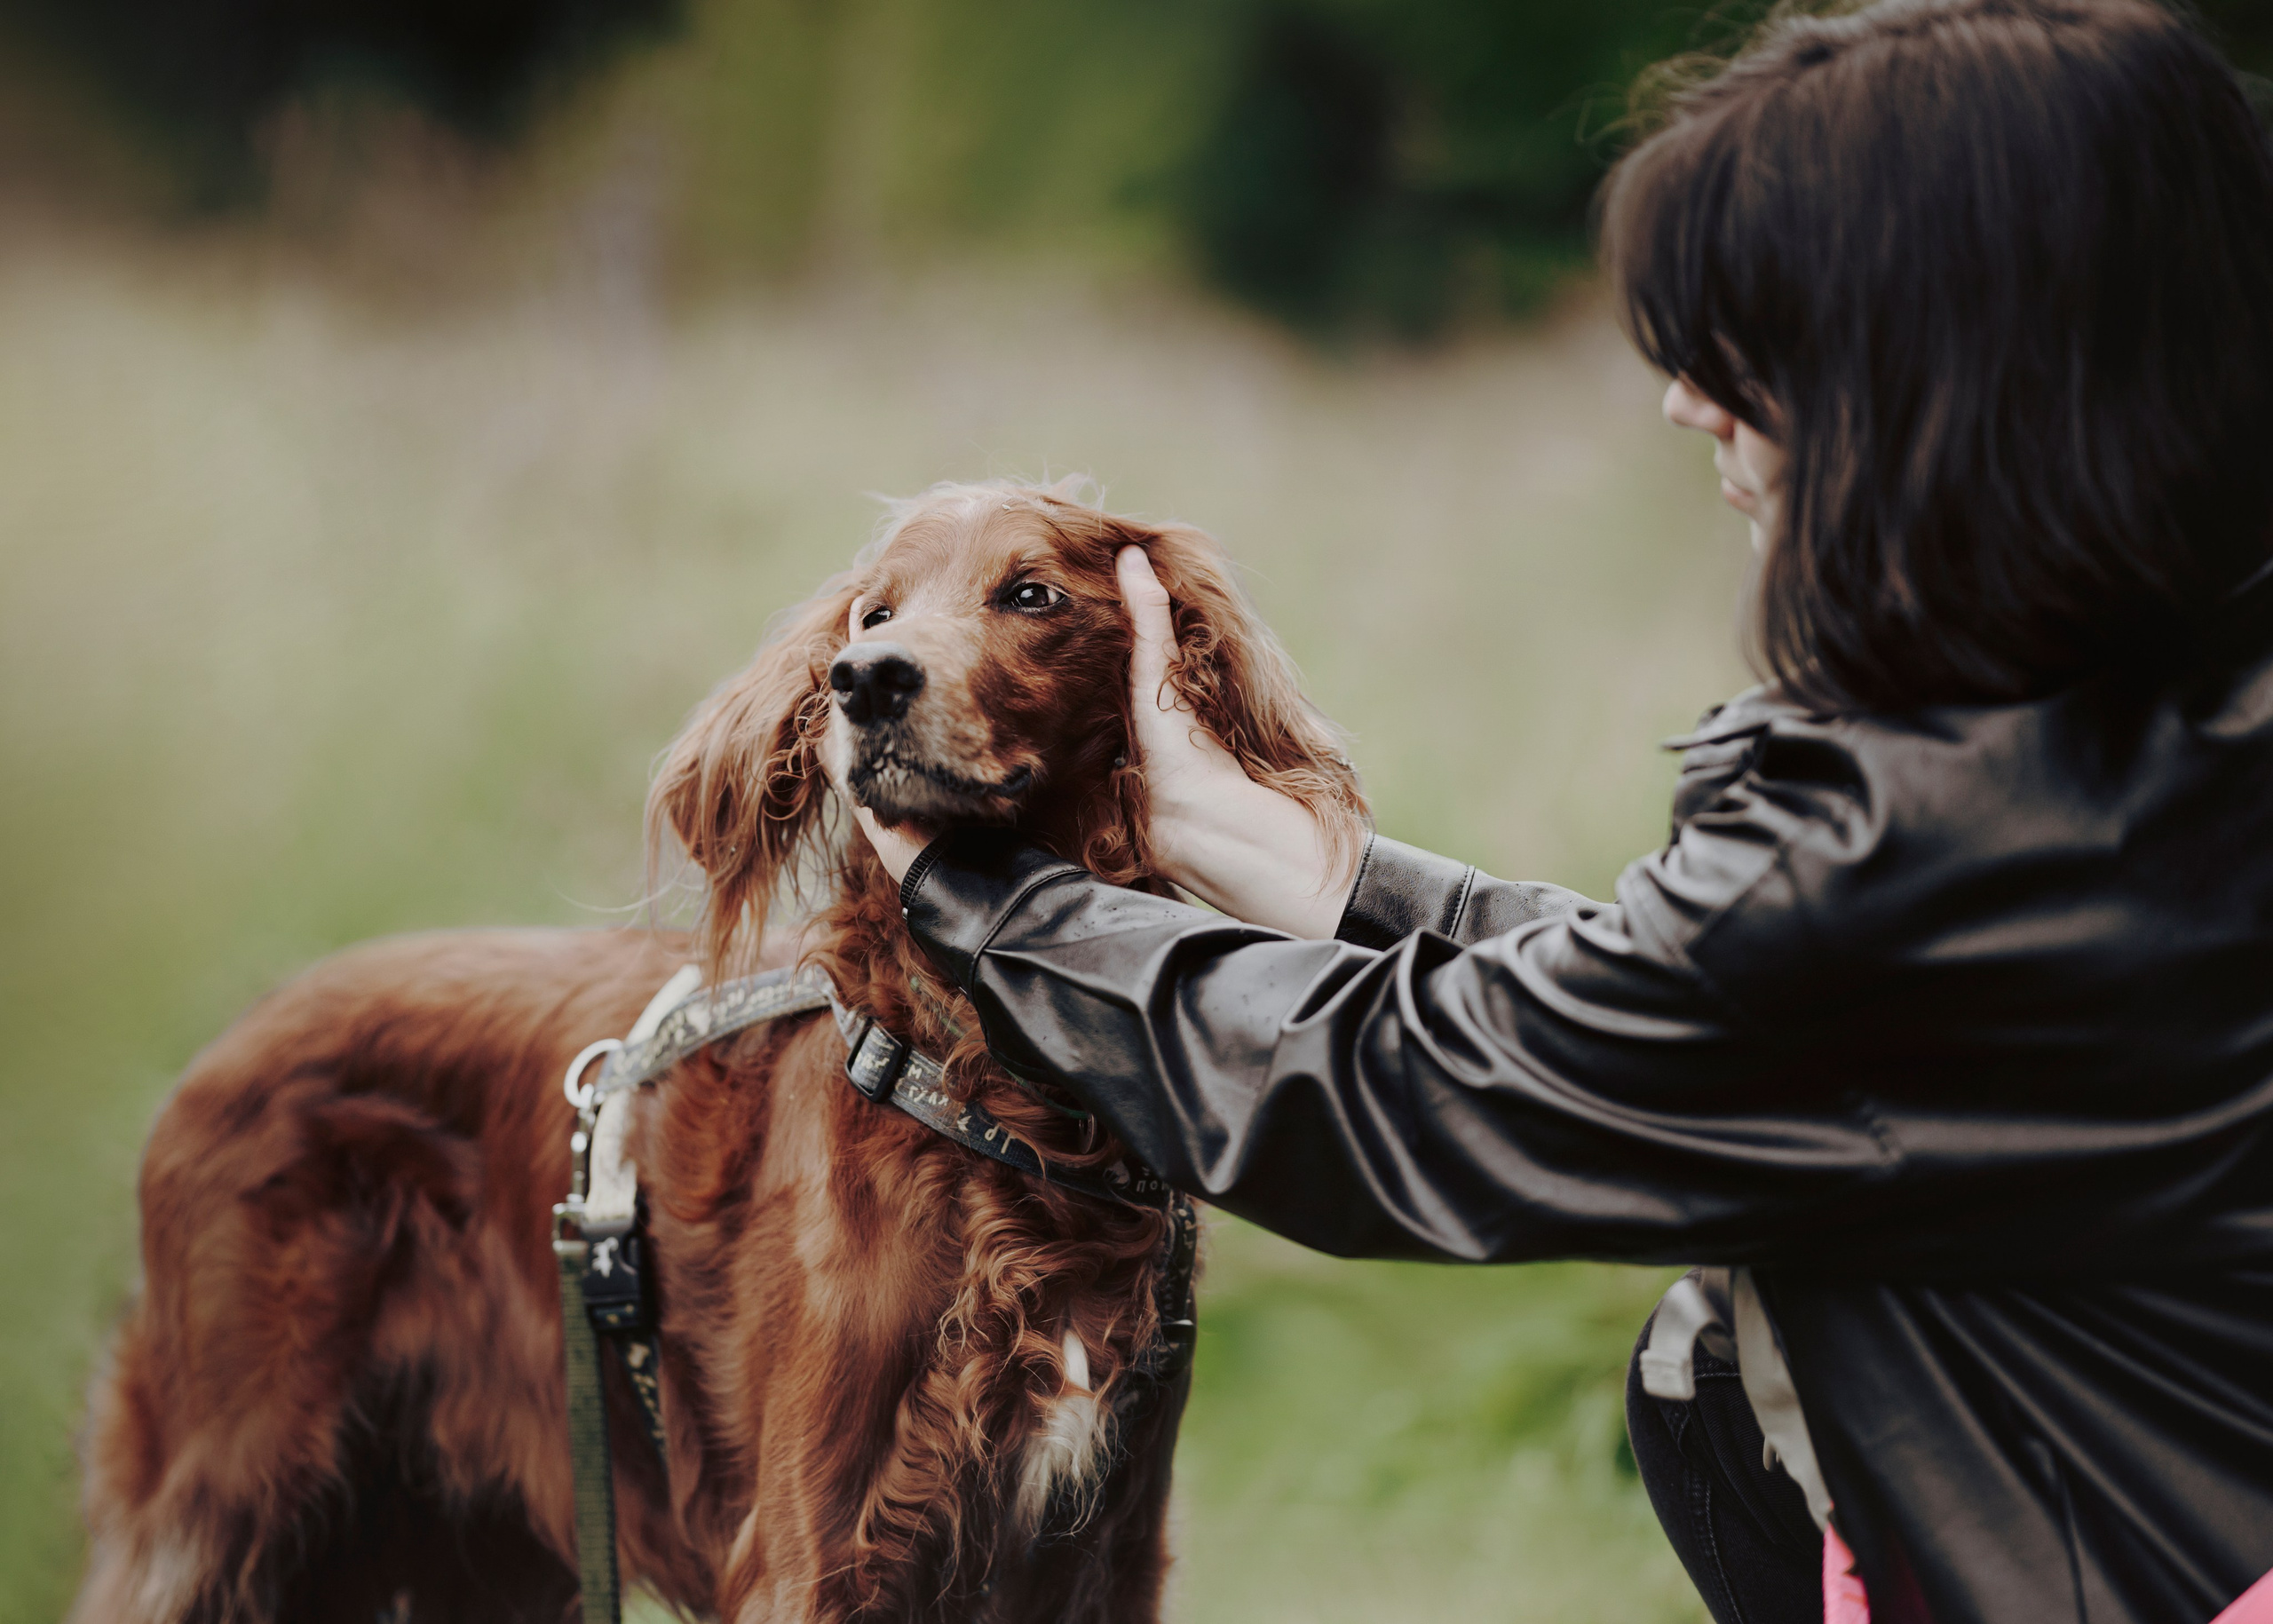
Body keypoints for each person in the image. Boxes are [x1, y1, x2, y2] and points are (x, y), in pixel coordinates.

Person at [852, 2, 2273, 1619]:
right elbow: (1738, 1015)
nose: (1688, 403)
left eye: (1748, 339)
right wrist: (1309, 870)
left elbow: (1427, 1096)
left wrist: (986, 904)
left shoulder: (1929, 825)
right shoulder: (2164, 720)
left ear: (1941, 366)